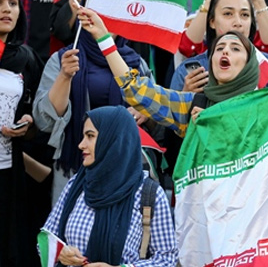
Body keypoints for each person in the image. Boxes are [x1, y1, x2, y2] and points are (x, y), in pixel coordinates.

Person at [77, 7, 259, 135]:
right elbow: (136, 90)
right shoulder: (195, 105)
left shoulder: (264, 105)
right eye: (219, 49)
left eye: (235, 48)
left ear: (249, 65)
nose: (225, 51)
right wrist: (103, 38)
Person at [41, 105, 177, 267]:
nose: (81, 145)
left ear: (113, 140)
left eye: (90, 136)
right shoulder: (77, 185)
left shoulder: (148, 194)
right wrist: (59, 253)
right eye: (83, 136)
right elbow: (45, 238)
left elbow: (168, 258)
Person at [33, 29, 151, 202]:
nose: (105, 24)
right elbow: (44, 122)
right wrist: (64, 77)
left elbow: (157, 115)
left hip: (123, 168)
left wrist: (145, 111)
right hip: (74, 166)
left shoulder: (136, 63)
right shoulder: (64, 58)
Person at [0, 0, 46, 266]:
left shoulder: (26, 59)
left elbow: (36, 117)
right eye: (0, 2)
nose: (7, 9)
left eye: (13, 3)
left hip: (8, 172)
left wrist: (28, 124)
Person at [173, 0, 268, 93]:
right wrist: (185, 98)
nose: (238, 23)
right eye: (228, 14)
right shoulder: (189, 73)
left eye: (245, 15)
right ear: (212, 21)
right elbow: (171, 111)